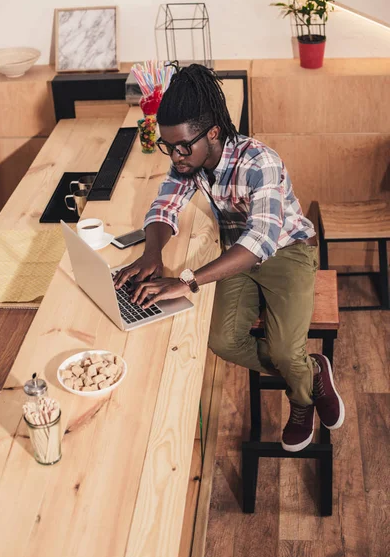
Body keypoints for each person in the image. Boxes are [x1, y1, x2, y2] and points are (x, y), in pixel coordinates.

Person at [114, 63, 345, 452]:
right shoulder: (188, 160)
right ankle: (310, 373)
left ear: (214, 133)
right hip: (237, 251)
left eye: (184, 145)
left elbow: (260, 241)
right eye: (169, 147)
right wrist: (152, 252)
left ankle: (302, 398)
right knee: (221, 341)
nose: (176, 155)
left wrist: (186, 280)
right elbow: (164, 206)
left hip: (286, 252)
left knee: (285, 350)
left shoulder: (260, 162)